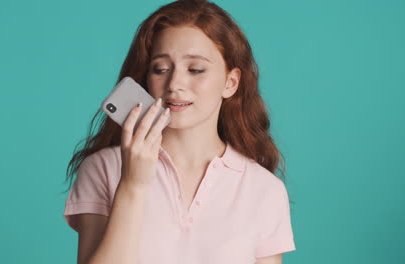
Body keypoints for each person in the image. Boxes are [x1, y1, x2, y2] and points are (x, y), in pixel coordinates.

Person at [62, 0, 296, 263]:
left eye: (195, 69)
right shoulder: (103, 168)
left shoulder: (265, 190)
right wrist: (132, 185)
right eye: (160, 69)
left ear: (230, 83)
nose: (174, 84)